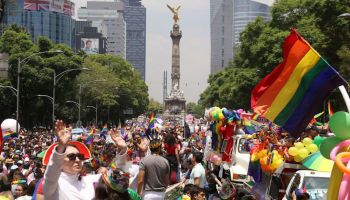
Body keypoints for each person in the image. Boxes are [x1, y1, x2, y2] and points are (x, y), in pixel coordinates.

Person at [43, 120, 127, 200]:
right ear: (60, 160)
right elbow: (51, 174)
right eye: (71, 156)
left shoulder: (90, 180)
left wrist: (122, 149)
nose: (77, 159)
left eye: (80, 156)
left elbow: (117, 177)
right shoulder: (53, 184)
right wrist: (61, 146)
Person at [137, 131, 170, 199]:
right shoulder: (165, 161)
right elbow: (166, 181)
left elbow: (140, 181)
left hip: (147, 195)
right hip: (161, 194)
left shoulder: (144, 161)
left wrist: (138, 194)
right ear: (160, 148)